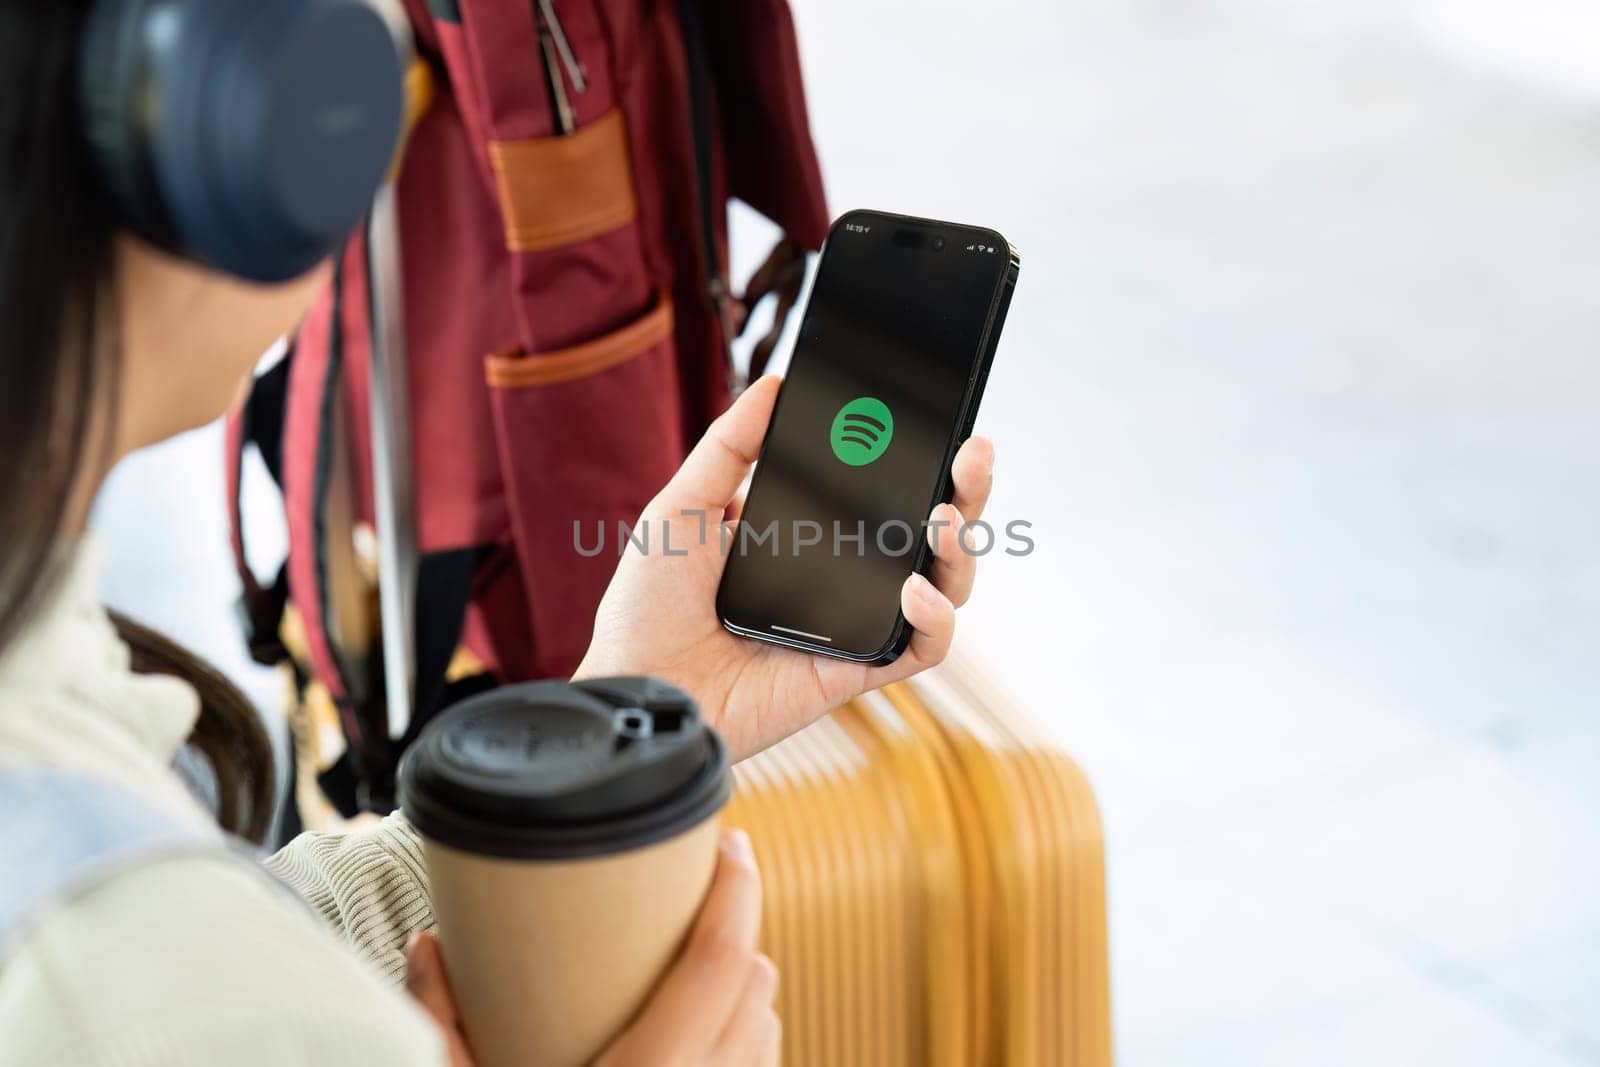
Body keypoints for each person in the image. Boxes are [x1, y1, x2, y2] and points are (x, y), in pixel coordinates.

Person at [0, 2, 996, 1064]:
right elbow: (192, 984)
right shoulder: (109, 957)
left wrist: (628, 696)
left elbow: (215, 943)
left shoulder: (57, 702)